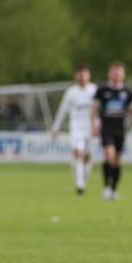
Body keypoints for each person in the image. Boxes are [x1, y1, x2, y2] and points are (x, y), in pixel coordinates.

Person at [91, 61, 132, 200]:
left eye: (119, 71)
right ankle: (106, 187)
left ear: (123, 74)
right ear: (109, 73)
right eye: (114, 71)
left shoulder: (127, 91)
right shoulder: (102, 90)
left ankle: (113, 190)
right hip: (106, 128)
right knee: (109, 155)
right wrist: (94, 124)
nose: (116, 74)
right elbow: (94, 109)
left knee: (117, 161)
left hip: (120, 129)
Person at [50, 64, 97, 195]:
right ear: (76, 76)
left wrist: (99, 126)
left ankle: (82, 179)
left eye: (84, 74)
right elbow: (62, 111)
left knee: (88, 157)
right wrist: (56, 128)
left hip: (91, 128)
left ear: (89, 75)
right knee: (78, 153)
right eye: (79, 74)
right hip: (76, 128)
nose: (82, 77)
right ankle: (80, 185)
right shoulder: (71, 92)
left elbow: (100, 110)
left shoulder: (95, 90)